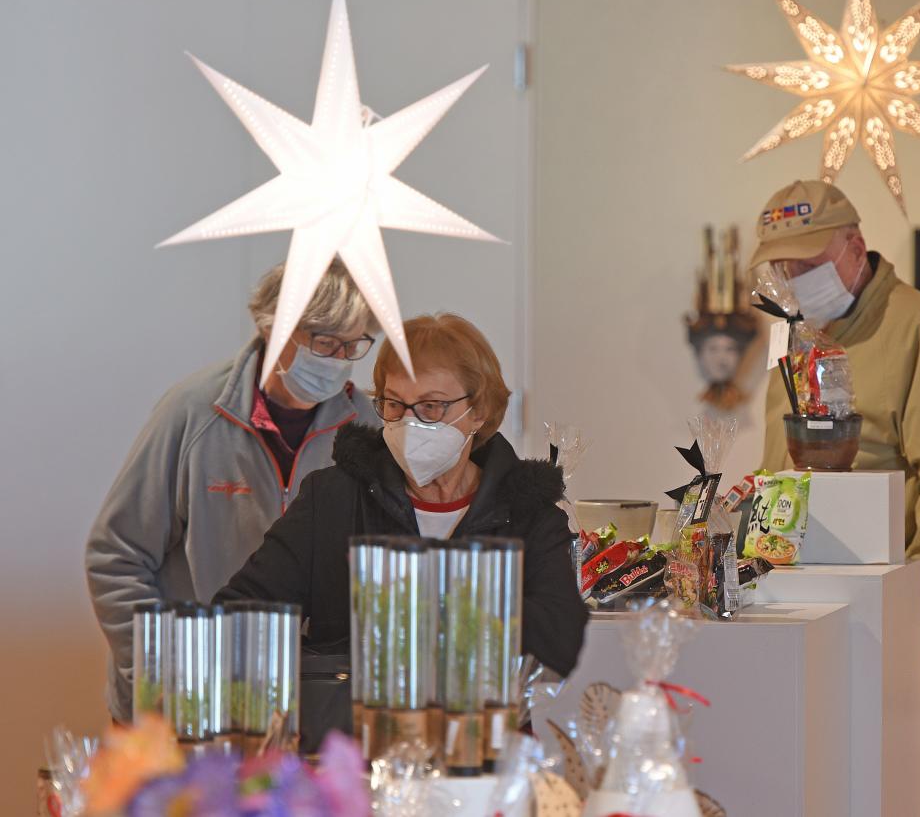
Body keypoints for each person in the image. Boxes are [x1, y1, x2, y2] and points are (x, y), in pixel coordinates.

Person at [754, 180, 920, 807]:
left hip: (900, 620)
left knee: (871, 792)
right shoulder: (794, 339)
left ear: (856, 245)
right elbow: (775, 475)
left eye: (809, 262)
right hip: (806, 615)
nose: (795, 277)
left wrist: (919, 624)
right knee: (807, 792)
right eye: (783, 265)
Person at [214, 312, 588, 687]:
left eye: (432, 406)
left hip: (482, 730)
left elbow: (560, 641)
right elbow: (238, 615)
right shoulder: (333, 499)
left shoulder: (528, 511)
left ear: (480, 412)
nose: (410, 424)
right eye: (394, 404)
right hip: (354, 731)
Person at [86, 257, 379, 722]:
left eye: (354, 346)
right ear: (274, 328)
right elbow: (115, 557)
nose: (339, 362)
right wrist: (163, 675)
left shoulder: (365, 428)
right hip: (182, 702)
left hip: (304, 707)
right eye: (325, 343)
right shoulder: (195, 413)